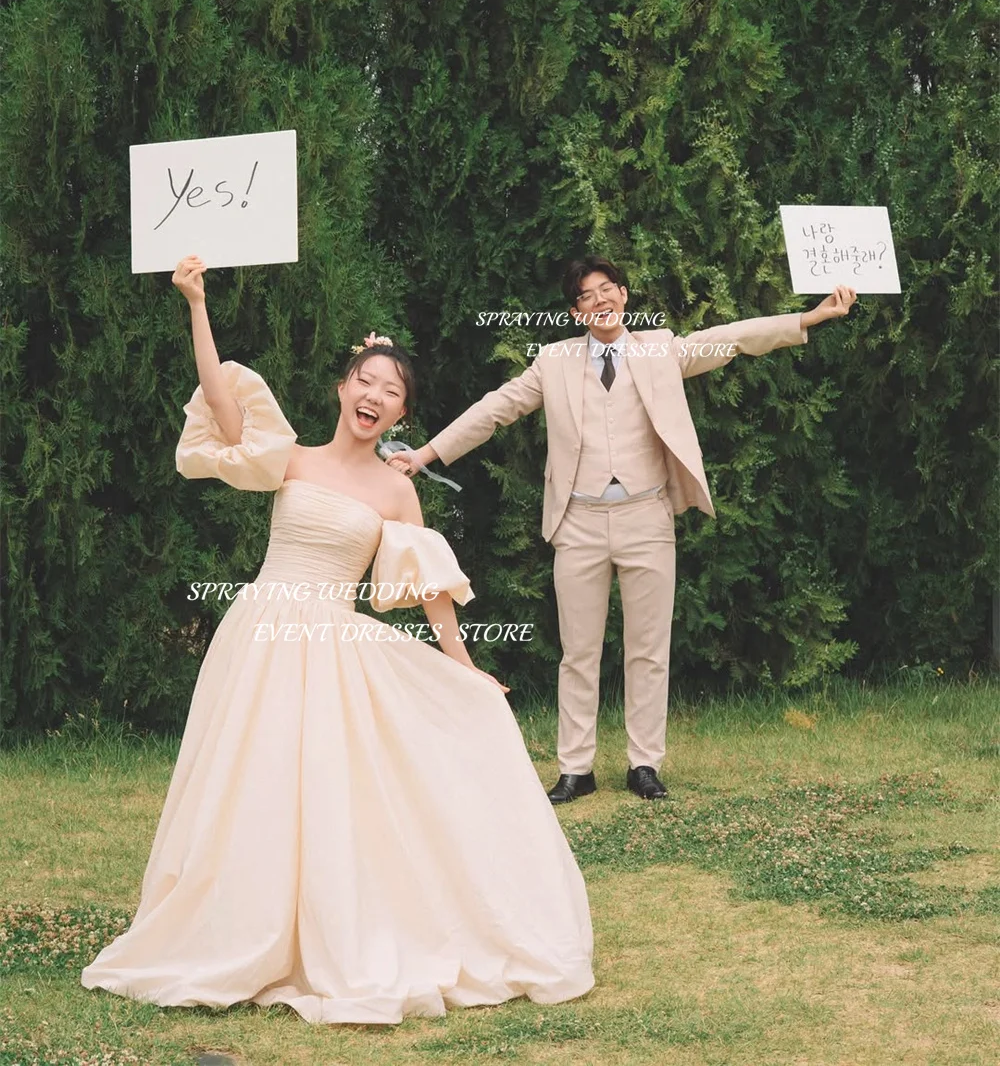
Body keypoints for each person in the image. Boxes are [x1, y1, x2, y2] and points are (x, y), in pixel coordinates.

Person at [81, 255, 594, 1025]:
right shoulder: (288, 458)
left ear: (399, 416)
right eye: (368, 382)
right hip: (260, 635)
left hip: (330, 642)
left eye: (393, 393)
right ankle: (240, 928)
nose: (377, 396)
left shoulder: (397, 488)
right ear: (342, 389)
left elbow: (427, 583)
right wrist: (196, 303)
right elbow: (222, 402)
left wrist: (466, 669)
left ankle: (331, 930)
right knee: (247, 784)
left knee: (323, 786)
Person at [388, 256, 858, 804]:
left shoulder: (659, 350)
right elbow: (496, 409)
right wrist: (425, 454)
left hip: (647, 515)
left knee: (648, 648)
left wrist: (809, 318)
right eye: (587, 296)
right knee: (578, 650)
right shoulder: (554, 362)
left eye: (607, 289)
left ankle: (644, 763)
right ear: (575, 311)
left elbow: (729, 339)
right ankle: (575, 768)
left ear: (625, 296)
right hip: (579, 520)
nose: (600, 301)